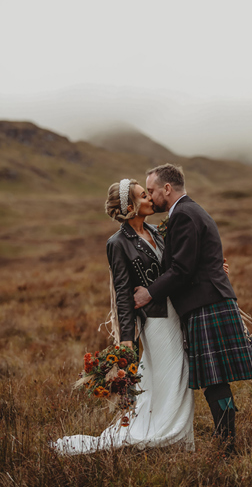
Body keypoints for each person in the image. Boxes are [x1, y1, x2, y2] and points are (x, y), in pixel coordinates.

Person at [52, 178, 195, 455]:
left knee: (180, 376)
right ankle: (162, 435)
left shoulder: (156, 231)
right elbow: (122, 294)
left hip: (177, 313)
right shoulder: (117, 243)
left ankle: (178, 437)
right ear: (130, 206)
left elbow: (177, 268)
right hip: (155, 321)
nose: (151, 199)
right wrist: (127, 340)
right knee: (167, 376)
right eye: (144, 196)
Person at [133, 163, 252, 454]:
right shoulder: (189, 211)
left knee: (215, 380)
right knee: (216, 380)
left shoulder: (183, 215)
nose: (151, 197)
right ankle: (227, 441)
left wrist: (148, 293)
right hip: (209, 300)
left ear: (167, 189)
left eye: (153, 190)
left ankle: (227, 445)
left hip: (206, 304)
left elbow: (181, 270)